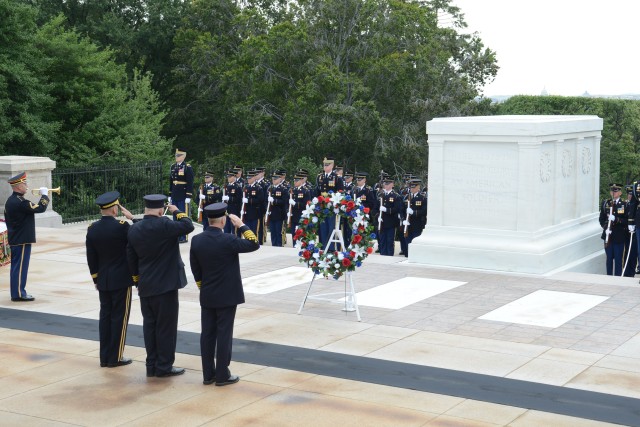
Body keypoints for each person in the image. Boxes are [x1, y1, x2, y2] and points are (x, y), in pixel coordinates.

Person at [190, 202, 260, 386]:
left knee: (207, 334)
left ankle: (208, 374)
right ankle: (222, 375)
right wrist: (242, 225)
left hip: (207, 294)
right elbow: (254, 244)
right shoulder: (228, 240)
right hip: (227, 296)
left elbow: (195, 269)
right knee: (224, 335)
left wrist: (203, 287)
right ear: (223, 220)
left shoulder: (197, 240)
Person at [127, 194, 194, 377]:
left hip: (145, 285)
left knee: (149, 326)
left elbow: (131, 259)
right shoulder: (164, 225)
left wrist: (137, 281)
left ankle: (151, 365)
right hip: (166, 286)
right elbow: (188, 226)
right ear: (160, 210)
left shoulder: (135, 229)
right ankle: (163, 366)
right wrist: (177, 211)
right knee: (166, 328)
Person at [85, 191, 136, 368]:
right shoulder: (122, 226)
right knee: (119, 318)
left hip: (103, 280)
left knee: (105, 317)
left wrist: (95, 278)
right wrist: (132, 218)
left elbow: (91, 257)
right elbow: (140, 236)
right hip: (122, 279)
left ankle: (104, 357)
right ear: (115, 209)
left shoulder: (92, 229)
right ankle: (115, 357)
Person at [3, 172, 49, 302]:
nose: (27, 186)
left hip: (16, 238)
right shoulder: (21, 202)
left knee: (17, 267)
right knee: (20, 268)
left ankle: (17, 292)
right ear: (18, 186)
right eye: (24, 184)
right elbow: (40, 208)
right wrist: (44, 195)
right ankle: (18, 293)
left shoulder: (10, 200)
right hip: (21, 239)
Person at [316, 156, 344, 250]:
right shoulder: (320, 177)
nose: (325, 166)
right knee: (322, 228)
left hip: (331, 207)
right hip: (322, 206)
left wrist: (332, 200)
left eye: (327, 165)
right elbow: (317, 191)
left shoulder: (336, 178)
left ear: (332, 165)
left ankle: (330, 248)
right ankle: (323, 247)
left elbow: (340, 192)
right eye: (324, 165)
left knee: (330, 228)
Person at [599, 183, 628, 276]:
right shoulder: (606, 203)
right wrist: (605, 228)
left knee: (618, 259)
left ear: (620, 192)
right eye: (612, 191)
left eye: (616, 191)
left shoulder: (624, 204)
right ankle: (609, 277)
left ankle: (618, 278)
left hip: (619, 236)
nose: (613, 193)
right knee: (609, 258)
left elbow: (626, 221)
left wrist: (616, 219)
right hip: (608, 236)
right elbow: (601, 219)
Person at [169, 148, 194, 243]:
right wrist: (170, 194)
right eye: (176, 155)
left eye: (178, 155)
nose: (176, 157)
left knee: (183, 215)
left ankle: (184, 237)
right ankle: (177, 235)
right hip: (175, 194)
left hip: (183, 194)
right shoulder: (173, 166)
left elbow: (190, 182)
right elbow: (171, 181)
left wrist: (188, 196)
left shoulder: (187, 167)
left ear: (183, 156)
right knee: (175, 215)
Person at [400, 179, 428, 257]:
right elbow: (401, 210)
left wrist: (414, 212)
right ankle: (407, 256)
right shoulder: (406, 197)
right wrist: (403, 219)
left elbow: (424, 211)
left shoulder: (422, 198)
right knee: (407, 243)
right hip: (407, 225)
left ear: (418, 187)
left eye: (413, 187)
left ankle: (415, 257)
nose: (412, 189)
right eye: (411, 187)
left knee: (415, 242)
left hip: (417, 224)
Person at [378, 176, 402, 256]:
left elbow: (397, 209)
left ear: (392, 184)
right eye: (385, 184)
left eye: (388, 184)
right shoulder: (380, 195)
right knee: (382, 241)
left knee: (389, 241)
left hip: (391, 222)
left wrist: (386, 210)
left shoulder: (396, 196)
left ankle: (389, 257)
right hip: (382, 222)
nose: (386, 185)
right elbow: (375, 207)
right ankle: (383, 255)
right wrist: (377, 216)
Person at [266, 170, 289, 247]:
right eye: (273, 179)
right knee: (273, 232)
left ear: (279, 179)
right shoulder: (270, 188)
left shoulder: (283, 189)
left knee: (278, 232)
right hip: (272, 214)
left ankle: (279, 246)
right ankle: (273, 245)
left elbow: (284, 201)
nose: (274, 180)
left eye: (275, 179)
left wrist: (274, 201)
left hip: (279, 214)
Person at [242, 169, 264, 241]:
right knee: (247, 231)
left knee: (254, 231)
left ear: (254, 177)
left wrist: (249, 200)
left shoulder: (258, 188)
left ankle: (255, 244)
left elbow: (260, 200)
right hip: (247, 213)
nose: (248, 179)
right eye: (248, 178)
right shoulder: (246, 187)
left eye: (250, 178)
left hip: (255, 213)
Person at [290, 172, 311, 245]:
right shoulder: (292, 190)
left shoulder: (305, 191)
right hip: (293, 216)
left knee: (301, 235)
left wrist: (295, 204)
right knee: (293, 234)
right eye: (294, 180)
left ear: (301, 181)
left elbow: (306, 204)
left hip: (301, 216)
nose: (295, 182)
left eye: (297, 180)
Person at [223, 169, 243, 235]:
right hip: (226, 210)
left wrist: (229, 198)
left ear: (234, 177)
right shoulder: (226, 186)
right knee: (226, 228)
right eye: (228, 176)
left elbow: (239, 199)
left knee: (235, 229)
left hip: (234, 210)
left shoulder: (237, 186)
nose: (228, 178)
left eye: (230, 176)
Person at [623, 185, 637, 277]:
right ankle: (625, 272)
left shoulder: (635, 205)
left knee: (633, 253)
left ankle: (631, 273)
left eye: (631, 194)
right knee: (626, 252)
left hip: (635, 233)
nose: (630, 196)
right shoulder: (624, 205)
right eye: (629, 194)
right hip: (626, 233)